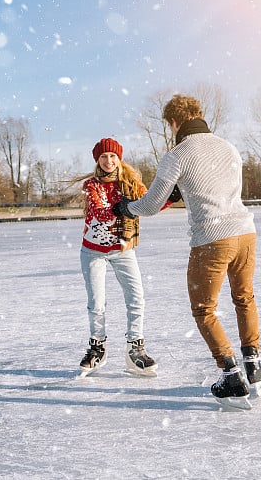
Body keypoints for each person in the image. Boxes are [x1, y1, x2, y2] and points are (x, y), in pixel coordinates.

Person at [113, 94, 261, 409]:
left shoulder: (177, 154)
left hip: (212, 238)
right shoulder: (228, 147)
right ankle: (254, 365)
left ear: (173, 122)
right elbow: (217, 188)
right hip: (246, 233)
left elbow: (153, 204)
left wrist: (127, 208)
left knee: (204, 310)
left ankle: (232, 376)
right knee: (244, 298)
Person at [78, 137, 158, 377]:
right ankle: (97, 347)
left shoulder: (130, 184)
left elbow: (150, 204)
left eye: (113, 156)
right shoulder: (91, 185)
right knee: (97, 302)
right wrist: (120, 207)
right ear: (97, 160)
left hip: (122, 250)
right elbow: (99, 212)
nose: (109, 161)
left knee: (136, 297)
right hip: (93, 251)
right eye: (104, 156)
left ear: (119, 158)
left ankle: (136, 350)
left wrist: (170, 197)